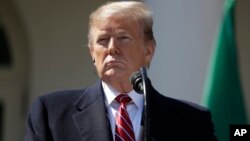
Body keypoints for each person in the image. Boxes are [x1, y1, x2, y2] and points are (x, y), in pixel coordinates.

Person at [24, 1, 217, 141]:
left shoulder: (192, 121)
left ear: (148, 51)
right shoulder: (51, 114)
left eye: (123, 38)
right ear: (92, 53)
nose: (111, 48)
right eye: (102, 40)